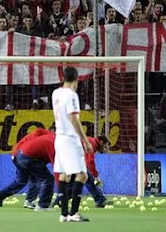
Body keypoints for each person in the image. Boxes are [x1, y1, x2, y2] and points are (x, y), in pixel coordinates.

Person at [52, 67, 93, 222]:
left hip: (59, 138)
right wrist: (85, 140)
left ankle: (63, 214)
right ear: (76, 79)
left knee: (64, 174)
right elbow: (74, 119)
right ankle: (74, 213)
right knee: (82, 175)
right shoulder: (72, 95)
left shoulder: (56, 93)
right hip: (70, 139)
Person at [0, 127, 52, 209]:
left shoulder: (39, 135)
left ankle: (2, 194)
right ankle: (30, 200)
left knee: (22, 180)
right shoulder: (44, 136)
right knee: (35, 178)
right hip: (23, 155)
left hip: (17, 155)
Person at [52, 136, 112, 208]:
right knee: (90, 180)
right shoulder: (92, 143)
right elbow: (90, 161)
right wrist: (95, 176)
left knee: (71, 185)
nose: (104, 149)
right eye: (105, 146)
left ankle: (58, 201)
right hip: (73, 160)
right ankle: (100, 200)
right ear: (101, 142)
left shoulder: (89, 140)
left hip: (69, 159)